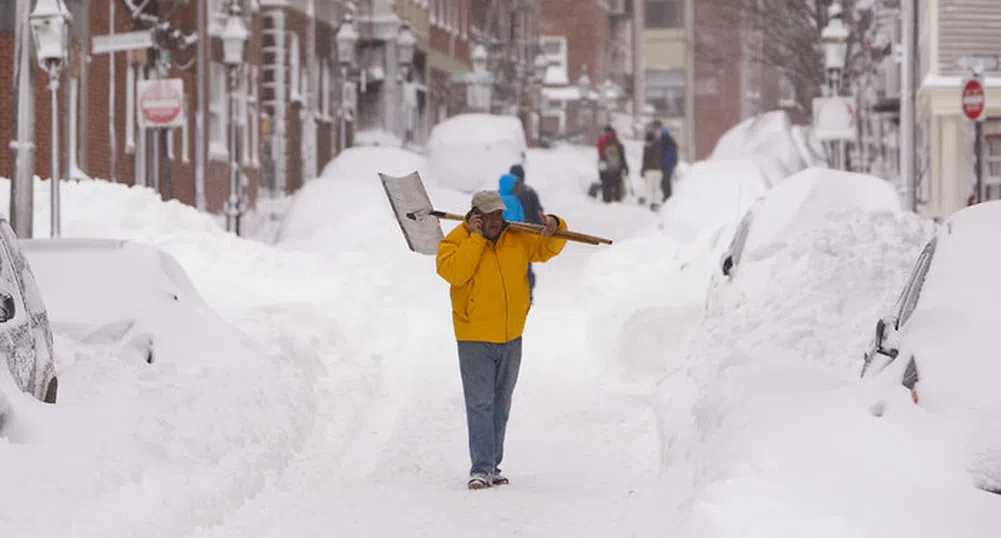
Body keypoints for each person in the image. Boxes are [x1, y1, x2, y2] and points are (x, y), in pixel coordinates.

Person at [436, 191, 568, 490]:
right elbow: (456, 274)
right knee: (480, 403)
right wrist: (475, 238)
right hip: (474, 336)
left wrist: (555, 226)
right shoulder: (454, 242)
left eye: (499, 214)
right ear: (476, 216)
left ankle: (493, 465)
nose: (496, 221)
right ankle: (480, 468)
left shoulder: (517, 237)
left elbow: (547, 249)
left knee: (501, 404)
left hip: (511, 335)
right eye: (489, 216)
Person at [509, 164, 545, 302]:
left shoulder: (504, 193)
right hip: (527, 236)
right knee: (526, 267)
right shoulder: (529, 192)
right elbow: (539, 214)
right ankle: (528, 296)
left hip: (508, 236)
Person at [597, 126, 629, 203]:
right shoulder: (618, 142)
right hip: (616, 169)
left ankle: (607, 202)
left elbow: (601, 156)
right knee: (617, 186)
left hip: (607, 169)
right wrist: (626, 167)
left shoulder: (603, 141)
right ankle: (616, 202)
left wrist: (600, 171)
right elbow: (622, 157)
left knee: (607, 187)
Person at [652, 120, 678, 202]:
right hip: (668, 164)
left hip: (665, 164)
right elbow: (674, 153)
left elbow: (661, 153)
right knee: (665, 182)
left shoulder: (663, 140)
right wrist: (674, 162)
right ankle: (667, 198)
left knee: (664, 182)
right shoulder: (669, 140)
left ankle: (667, 198)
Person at [640, 130, 664, 211]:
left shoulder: (647, 147)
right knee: (657, 187)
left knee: (649, 188)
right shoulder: (659, 146)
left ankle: (649, 203)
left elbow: (645, 160)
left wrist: (643, 170)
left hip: (650, 171)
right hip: (658, 170)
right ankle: (657, 203)